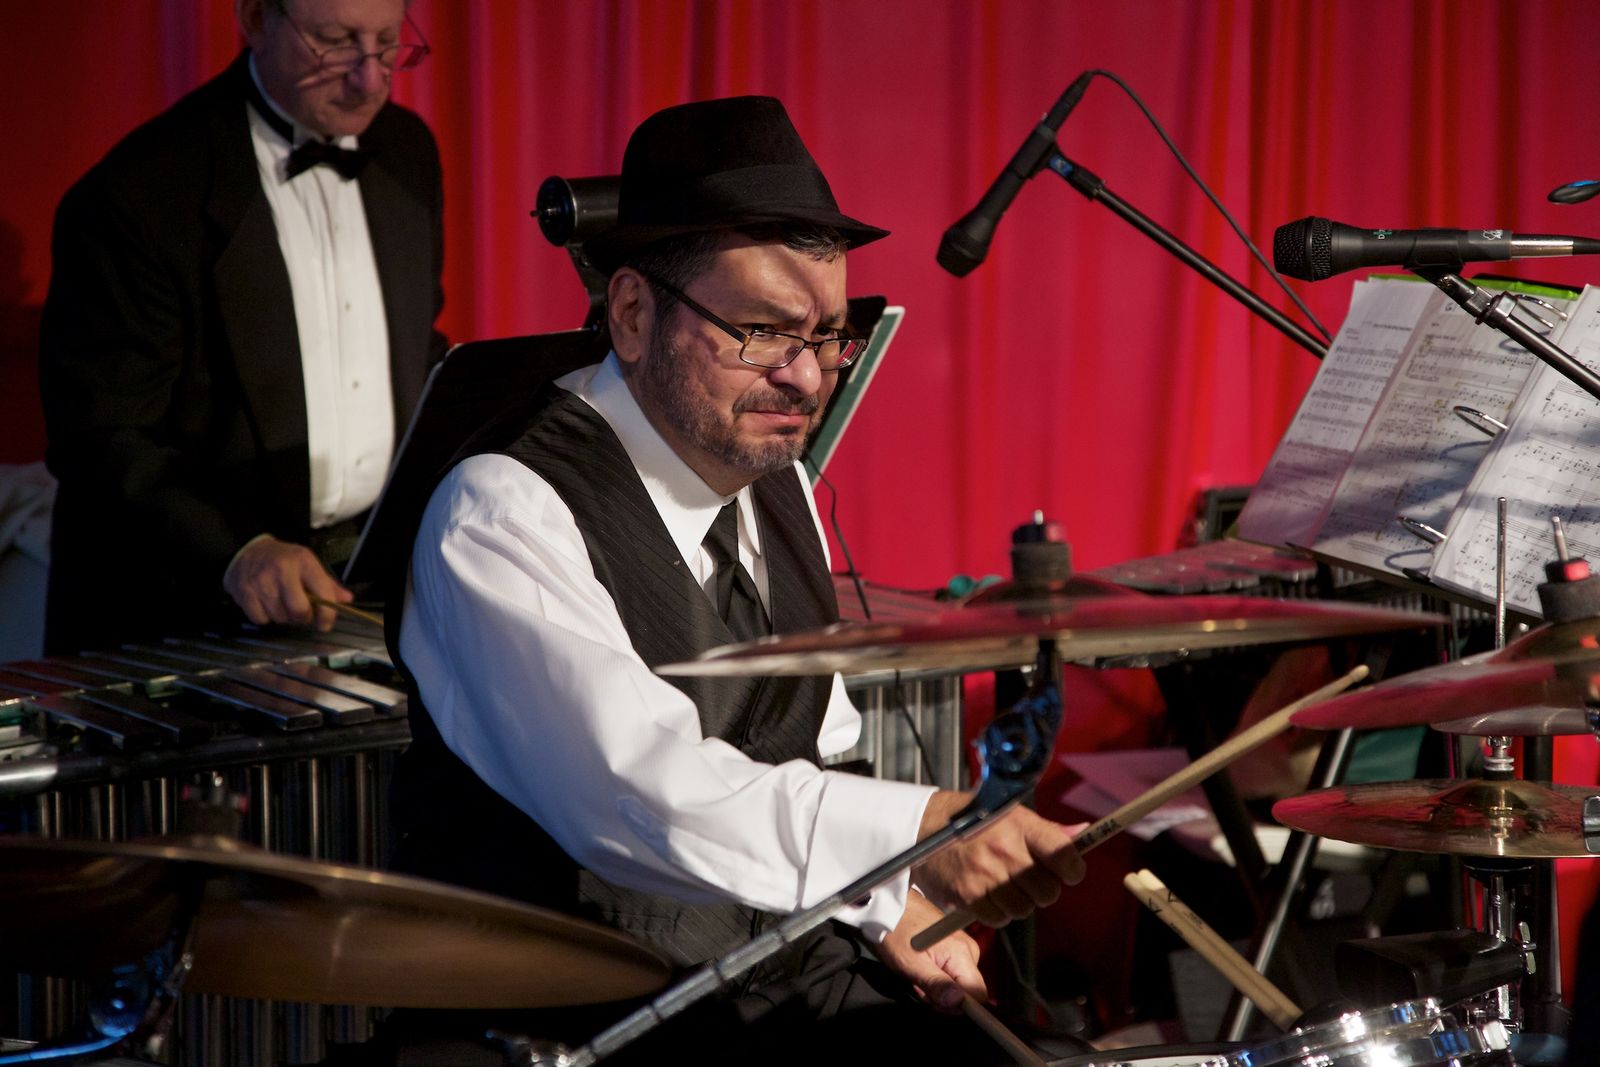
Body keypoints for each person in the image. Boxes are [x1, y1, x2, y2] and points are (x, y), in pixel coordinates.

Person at [384, 96, 1084, 1065]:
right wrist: (920, 827)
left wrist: (888, 900)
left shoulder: (776, 477)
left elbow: (814, 749)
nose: (806, 378)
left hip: (769, 980)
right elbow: (637, 791)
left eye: (827, 335)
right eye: (760, 330)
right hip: (578, 1018)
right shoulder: (502, 508)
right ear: (633, 313)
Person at [38, 0, 446, 655]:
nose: (370, 78)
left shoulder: (407, 151)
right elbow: (103, 436)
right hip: (186, 607)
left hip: (364, 585)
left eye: (388, 42)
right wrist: (237, 552)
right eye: (336, 42)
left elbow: (412, 349)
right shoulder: (138, 194)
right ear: (256, 20)